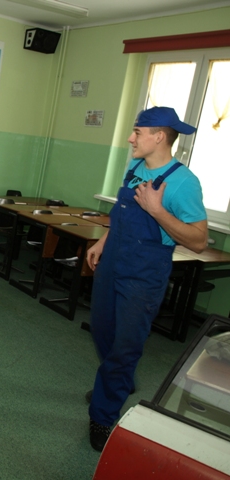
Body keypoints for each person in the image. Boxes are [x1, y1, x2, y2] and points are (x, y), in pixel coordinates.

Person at [85, 106, 208, 451]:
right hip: (113, 262)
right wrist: (103, 241)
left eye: (137, 132)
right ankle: (118, 380)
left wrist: (157, 210)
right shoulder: (135, 168)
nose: (130, 138)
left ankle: (103, 414)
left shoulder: (184, 182)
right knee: (101, 330)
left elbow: (199, 241)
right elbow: (121, 214)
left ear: (159, 136)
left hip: (144, 273)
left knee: (126, 345)